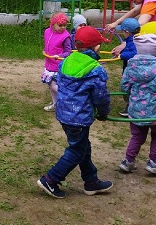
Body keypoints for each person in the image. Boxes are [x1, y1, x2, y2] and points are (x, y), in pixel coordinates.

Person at [37, 26, 113, 199]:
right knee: (77, 150)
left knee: (82, 147)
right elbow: (101, 97)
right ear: (96, 47)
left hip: (64, 114)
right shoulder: (95, 70)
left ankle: (91, 181)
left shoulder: (65, 63)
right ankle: (50, 179)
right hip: (79, 118)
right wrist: (103, 113)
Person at [119, 34, 156, 176]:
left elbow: (124, 87)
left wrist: (133, 93)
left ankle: (128, 161)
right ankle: (154, 163)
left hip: (136, 110)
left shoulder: (130, 67)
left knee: (137, 136)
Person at [42, 12, 73, 112]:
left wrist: (59, 56)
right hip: (49, 63)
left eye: (65, 25)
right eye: (60, 25)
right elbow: (47, 44)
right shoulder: (47, 31)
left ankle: (69, 99)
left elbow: (68, 51)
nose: (63, 27)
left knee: (53, 85)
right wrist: (45, 50)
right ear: (53, 24)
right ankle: (56, 104)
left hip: (58, 65)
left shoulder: (66, 36)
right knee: (50, 86)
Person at [114, 17, 140, 117]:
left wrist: (121, 56)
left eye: (123, 31)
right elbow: (128, 49)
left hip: (132, 69)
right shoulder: (130, 39)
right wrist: (120, 51)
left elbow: (134, 53)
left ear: (127, 31)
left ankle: (131, 107)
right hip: (129, 68)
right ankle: (132, 105)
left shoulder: (134, 41)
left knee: (128, 87)